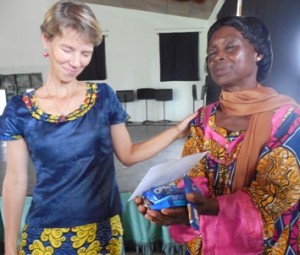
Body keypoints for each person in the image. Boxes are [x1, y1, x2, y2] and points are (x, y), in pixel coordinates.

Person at [0, 1, 196, 254]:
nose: (76, 61)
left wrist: (177, 131)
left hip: (103, 230)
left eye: (86, 52)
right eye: (68, 49)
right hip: (45, 234)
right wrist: (9, 246)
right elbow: (15, 180)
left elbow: (128, 154)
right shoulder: (20, 109)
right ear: (46, 40)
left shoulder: (102, 96)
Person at [135, 16, 300, 254]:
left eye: (230, 46)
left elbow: (279, 196)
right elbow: (192, 175)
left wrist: (210, 207)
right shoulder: (203, 118)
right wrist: (172, 204)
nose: (218, 56)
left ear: (258, 53)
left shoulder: (288, 120)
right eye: (212, 52)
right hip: (207, 244)